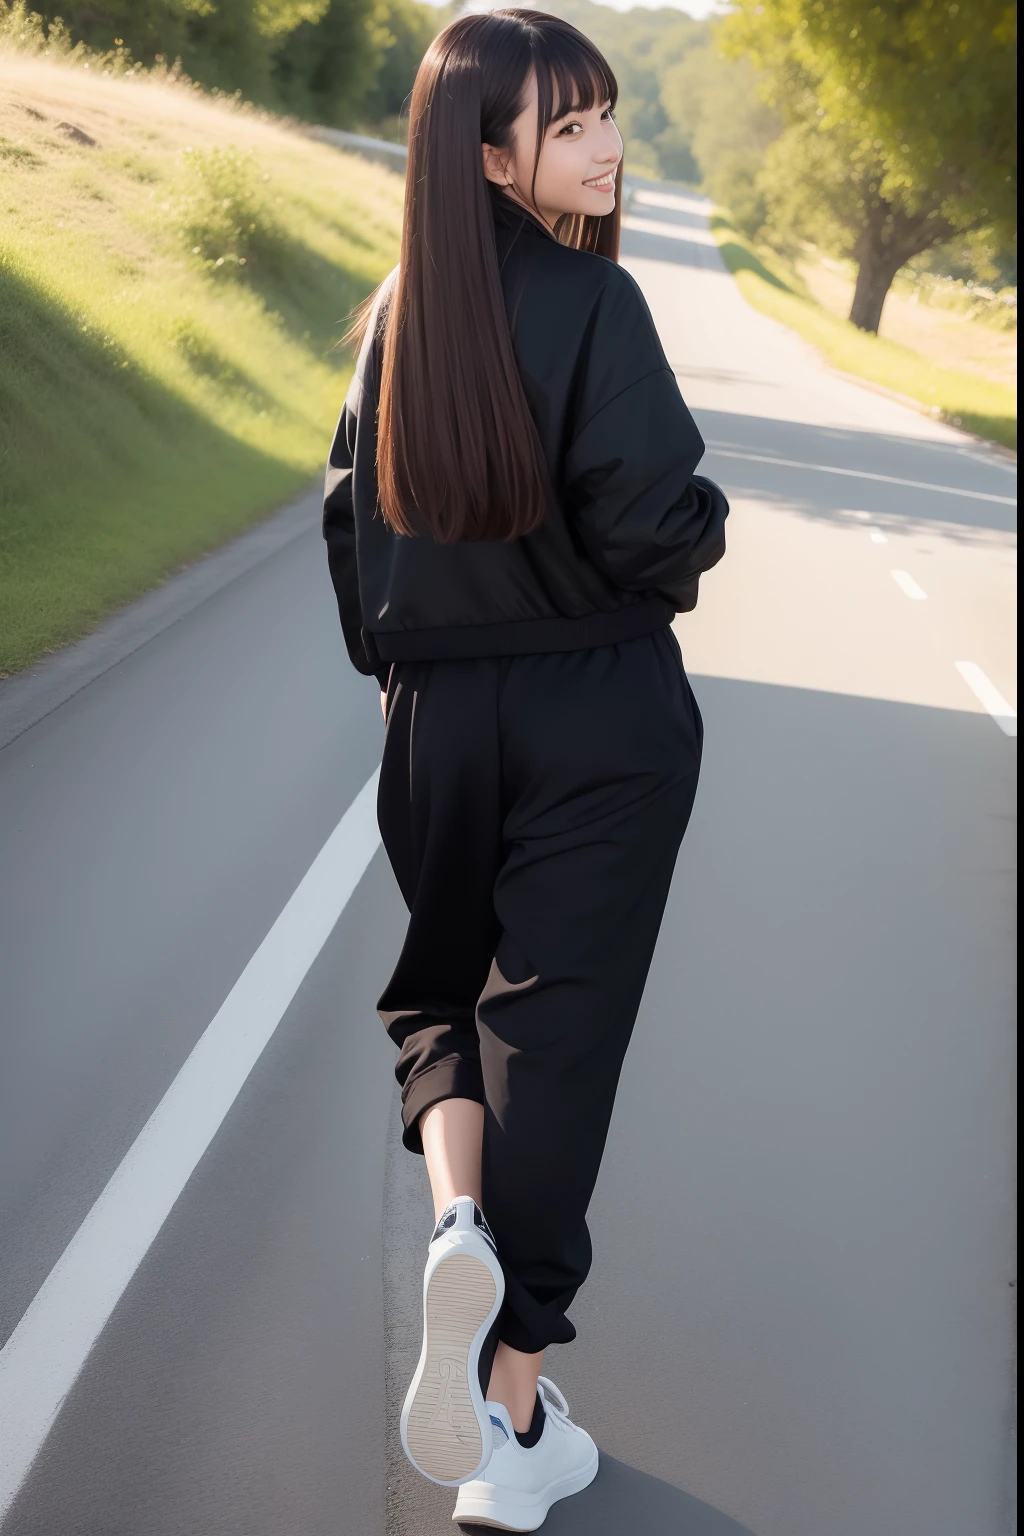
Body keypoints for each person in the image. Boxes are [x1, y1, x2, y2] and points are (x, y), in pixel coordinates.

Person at [322, 9, 728, 1528]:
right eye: (570, 126)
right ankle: (508, 1419)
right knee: (554, 1038)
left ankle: (458, 1230)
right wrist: (705, 528)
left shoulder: (393, 313)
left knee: (439, 993)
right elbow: (651, 529)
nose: (609, 147)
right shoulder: (596, 307)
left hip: (435, 714)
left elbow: (346, 534)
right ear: (488, 152)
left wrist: (413, 678)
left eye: (610, 113)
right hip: (601, 713)